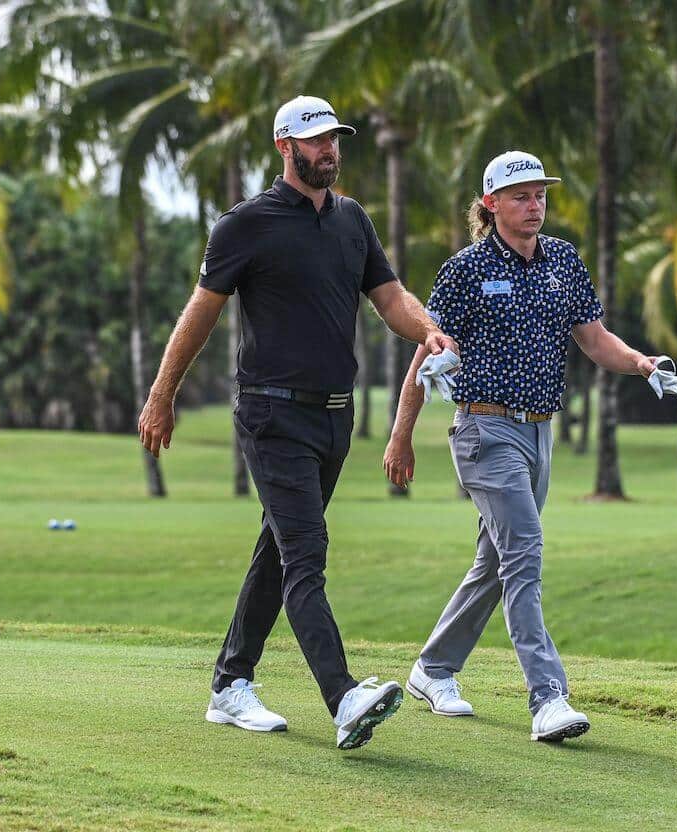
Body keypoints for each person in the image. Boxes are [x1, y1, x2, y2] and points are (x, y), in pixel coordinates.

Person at [137, 95, 457, 750]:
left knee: (279, 552)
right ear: (285, 146)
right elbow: (200, 314)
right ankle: (343, 699)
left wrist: (428, 331)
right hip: (271, 414)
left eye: (334, 139)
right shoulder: (244, 225)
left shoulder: (351, 221)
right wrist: (162, 394)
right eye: (315, 141)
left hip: (333, 421)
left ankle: (230, 683)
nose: (328, 151)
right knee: (305, 554)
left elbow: (389, 297)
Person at [383, 150, 677, 742]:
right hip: (483, 430)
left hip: (539, 433)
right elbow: (428, 349)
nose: (535, 205)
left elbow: (595, 340)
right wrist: (401, 436)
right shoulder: (465, 270)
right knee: (525, 552)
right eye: (521, 196)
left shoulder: (564, 262)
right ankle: (547, 697)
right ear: (491, 204)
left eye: (541, 194)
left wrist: (642, 364)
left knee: (497, 561)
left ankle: (433, 669)